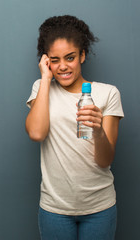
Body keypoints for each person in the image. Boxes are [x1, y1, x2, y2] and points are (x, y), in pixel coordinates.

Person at [25, 15, 124, 240]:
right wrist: (44, 78)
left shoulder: (108, 93)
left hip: (99, 207)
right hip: (55, 208)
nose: (63, 67)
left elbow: (105, 160)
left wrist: (98, 131)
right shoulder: (42, 89)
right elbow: (37, 133)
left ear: (82, 55)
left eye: (70, 58)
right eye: (55, 60)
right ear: (46, 60)